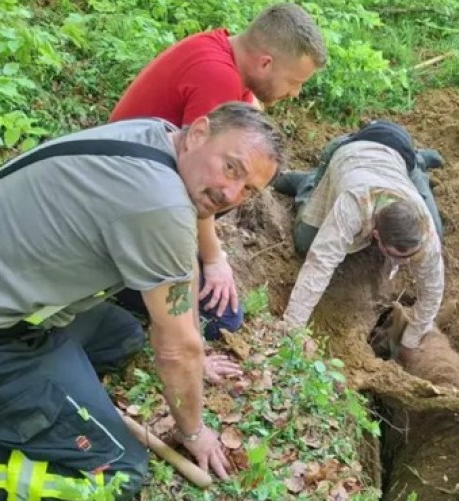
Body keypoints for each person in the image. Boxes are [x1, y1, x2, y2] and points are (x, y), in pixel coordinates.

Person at [0, 102, 286, 501]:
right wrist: (194, 430)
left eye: (249, 190)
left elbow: (179, 289)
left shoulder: (158, 134)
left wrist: (193, 354)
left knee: (121, 336)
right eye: (232, 168)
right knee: (116, 475)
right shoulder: (159, 204)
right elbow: (177, 348)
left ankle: (13, 395)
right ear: (199, 133)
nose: (231, 195)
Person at [110, 3, 326, 343]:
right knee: (222, 318)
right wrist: (213, 259)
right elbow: (194, 183)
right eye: (294, 82)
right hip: (124, 211)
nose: (295, 94)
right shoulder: (218, 77)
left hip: (141, 188)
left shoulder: (222, 52)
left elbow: (250, 111)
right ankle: (118, 290)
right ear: (265, 62)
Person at [274, 120, 446, 355]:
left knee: (438, 227)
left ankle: (417, 167)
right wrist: (293, 328)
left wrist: (410, 341)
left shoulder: (423, 227)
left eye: (410, 256)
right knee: (305, 240)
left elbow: (432, 288)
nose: (406, 263)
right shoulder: (352, 207)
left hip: (399, 153)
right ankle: (307, 182)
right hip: (349, 152)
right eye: (397, 256)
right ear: (375, 234)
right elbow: (320, 264)